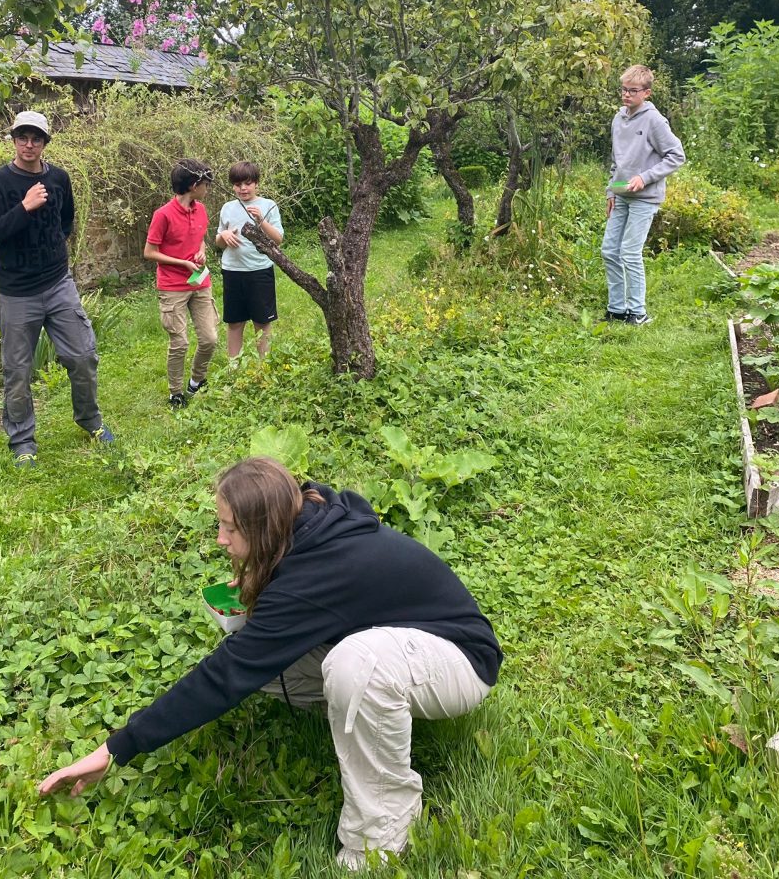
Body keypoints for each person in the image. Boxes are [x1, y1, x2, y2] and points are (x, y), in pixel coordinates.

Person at [38, 457, 502, 871]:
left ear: (264, 526)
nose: (220, 539)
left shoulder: (316, 572)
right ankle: (367, 718)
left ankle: (378, 838)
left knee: (353, 665)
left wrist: (116, 748)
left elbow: (223, 676)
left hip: (459, 661)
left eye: (231, 530)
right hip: (401, 646)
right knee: (257, 649)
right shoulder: (305, 524)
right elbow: (239, 665)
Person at [0, 110, 113, 468]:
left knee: (83, 354)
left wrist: (52, 251)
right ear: (14, 140)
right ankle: (22, 442)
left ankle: (91, 421)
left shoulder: (60, 179)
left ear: (45, 143)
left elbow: (66, 220)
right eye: (22, 137)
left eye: (36, 138)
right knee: (18, 371)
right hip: (17, 292)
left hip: (57, 283)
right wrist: (24, 207)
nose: (29, 144)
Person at [602, 65, 686, 325]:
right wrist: (611, 191)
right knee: (609, 250)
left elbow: (676, 156)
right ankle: (617, 309)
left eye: (633, 90)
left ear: (646, 93)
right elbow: (617, 161)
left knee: (629, 252)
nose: (626, 95)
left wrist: (645, 177)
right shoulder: (618, 118)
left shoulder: (654, 120)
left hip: (645, 197)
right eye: (624, 89)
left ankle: (638, 313)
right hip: (621, 194)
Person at [144, 158, 218, 407]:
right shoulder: (163, 215)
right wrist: (182, 263)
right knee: (180, 343)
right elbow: (150, 252)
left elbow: (199, 238)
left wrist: (201, 251)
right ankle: (176, 392)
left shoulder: (201, 209)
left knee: (209, 339)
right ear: (193, 185)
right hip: (173, 286)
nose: (207, 188)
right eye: (205, 184)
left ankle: (197, 381)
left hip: (200, 281)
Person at [215, 161, 284, 362]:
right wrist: (224, 235)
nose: (243, 188)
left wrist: (261, 221)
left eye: (247, 183)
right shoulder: (227, 207)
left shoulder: (268, 205)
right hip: (232, 271)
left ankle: (263, 366)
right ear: (232, 186)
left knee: (262, 322)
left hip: (259, 270)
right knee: (235, 322)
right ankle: (233, 366)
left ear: (256, 183)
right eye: (237, 184)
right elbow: (219, 242)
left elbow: (278, 239)